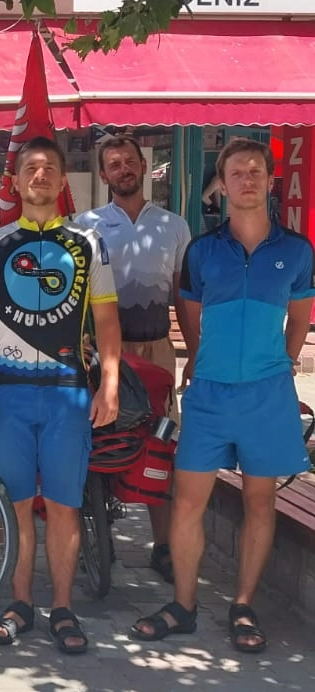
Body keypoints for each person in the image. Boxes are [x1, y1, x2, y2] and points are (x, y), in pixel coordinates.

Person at [130, 138, 315, 654]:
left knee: (260, 500)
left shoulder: (297, 251)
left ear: (270, 180)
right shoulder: (202, 251)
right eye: (237, 172)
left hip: (266, 396)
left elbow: (300, 319)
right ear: (223, 184)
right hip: (209, 394)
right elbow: (190, 317)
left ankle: (243, 605)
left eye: (256, 171)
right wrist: (200, 362)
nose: (247, 179)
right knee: (188, 500)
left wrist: (279, 365)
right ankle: (183, 605)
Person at [0, 136, 120, 655]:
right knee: (16, 506)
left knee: (63, 506)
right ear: (15, 180)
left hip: (67, 393)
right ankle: (20, 604)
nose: (40, 175)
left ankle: (63, 608)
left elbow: (106, 318)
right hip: (7, 392)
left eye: (49, 167)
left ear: (62, 180)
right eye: (30, 167)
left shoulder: (89, 242)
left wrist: (109, 384)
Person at [75, 135, 194, 583]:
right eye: (114, 163)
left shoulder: (174, 225)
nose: (123, 169)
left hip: (156, 349)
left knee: (161, 447)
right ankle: (97, 535)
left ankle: (163, 546)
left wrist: (195, 353)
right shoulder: (85, 225)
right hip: (103, 352)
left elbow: (183, 296)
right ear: (103, 174)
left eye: (129, 161)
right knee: (98, 442)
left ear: (144, 166)